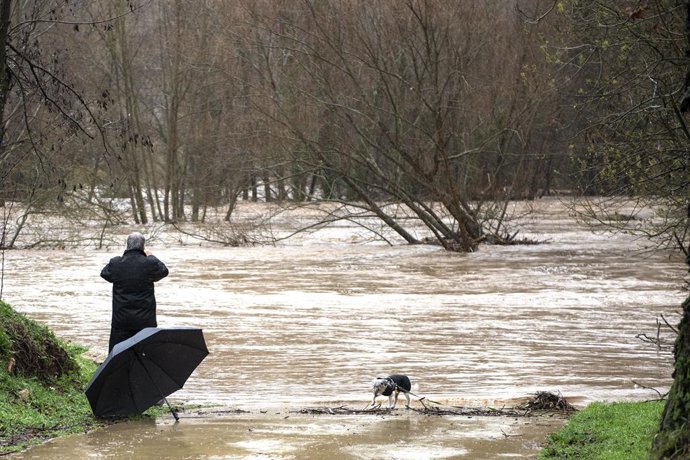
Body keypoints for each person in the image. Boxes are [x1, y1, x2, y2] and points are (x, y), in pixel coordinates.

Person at [101, 232, 169, 352]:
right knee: (146, 352)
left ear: (127, 246)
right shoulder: (150, 263)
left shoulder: (116, 263)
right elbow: (163, 271)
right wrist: (151, 255)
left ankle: (117, 370)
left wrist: (122, 257)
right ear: (143, 247)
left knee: (118, 352)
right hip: (145, 320)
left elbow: (105, 273)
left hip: (121, 320)